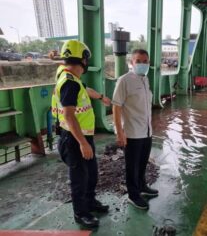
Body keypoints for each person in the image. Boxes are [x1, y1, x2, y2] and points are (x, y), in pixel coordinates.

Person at [51, 40, 111, 228]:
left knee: (91, 173)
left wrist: (101, 98)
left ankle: (90, 202)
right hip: (74, 139)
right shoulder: (69, 83)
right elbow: (69, 116)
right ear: (83, 59)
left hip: (83, 137)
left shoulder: (71, 77)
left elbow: (86, 91)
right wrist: (83, 143)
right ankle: (81, 213)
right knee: (79, 178)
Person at [112, 49, 158, 210]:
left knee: (143, 163)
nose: (142, 64)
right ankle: (133, 195)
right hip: (131, 133)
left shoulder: (145, 79)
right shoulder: (124, 80)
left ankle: (142, 186)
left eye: (145, 61)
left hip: (147, 131)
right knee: (132, 166)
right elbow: (116, 106)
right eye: (138, 61)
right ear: (131, 63)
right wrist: (119, 132)